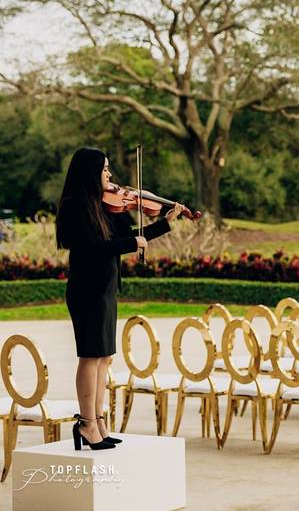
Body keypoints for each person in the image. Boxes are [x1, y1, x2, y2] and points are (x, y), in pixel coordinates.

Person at [55, 147, 183, 450]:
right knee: (90, 356)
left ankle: (97, 421)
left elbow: (130, 236)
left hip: (105, 290)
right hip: (87, 291)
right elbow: (91, 248)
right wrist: (132, 241)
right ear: (90, 173)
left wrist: (164, 221)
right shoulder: (75, 206)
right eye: (105, 169)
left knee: (105, 357)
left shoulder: (103, 204)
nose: (110, 176)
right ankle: (86, 425)